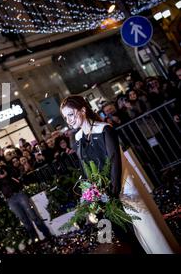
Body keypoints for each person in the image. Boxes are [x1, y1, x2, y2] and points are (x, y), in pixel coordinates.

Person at [60, 95, 179, 254]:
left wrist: (112, 193)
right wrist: (91, 195)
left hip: (123, 189)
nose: (69, 120)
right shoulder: (77, 137)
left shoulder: (104, 129)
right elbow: (85, 169)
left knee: (148, 232)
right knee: (126, 238)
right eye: (65, 117)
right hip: (103, 197)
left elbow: (115, 161)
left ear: (83, 109)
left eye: (71, 114)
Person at [0, 159, 52, 243]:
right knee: (24, 220)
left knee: (33, 215)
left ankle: (47, 235)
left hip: (19, 194)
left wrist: (6, 174)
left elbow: (16, 174)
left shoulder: (6, 168)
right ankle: (35, 240)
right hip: (10, 199)